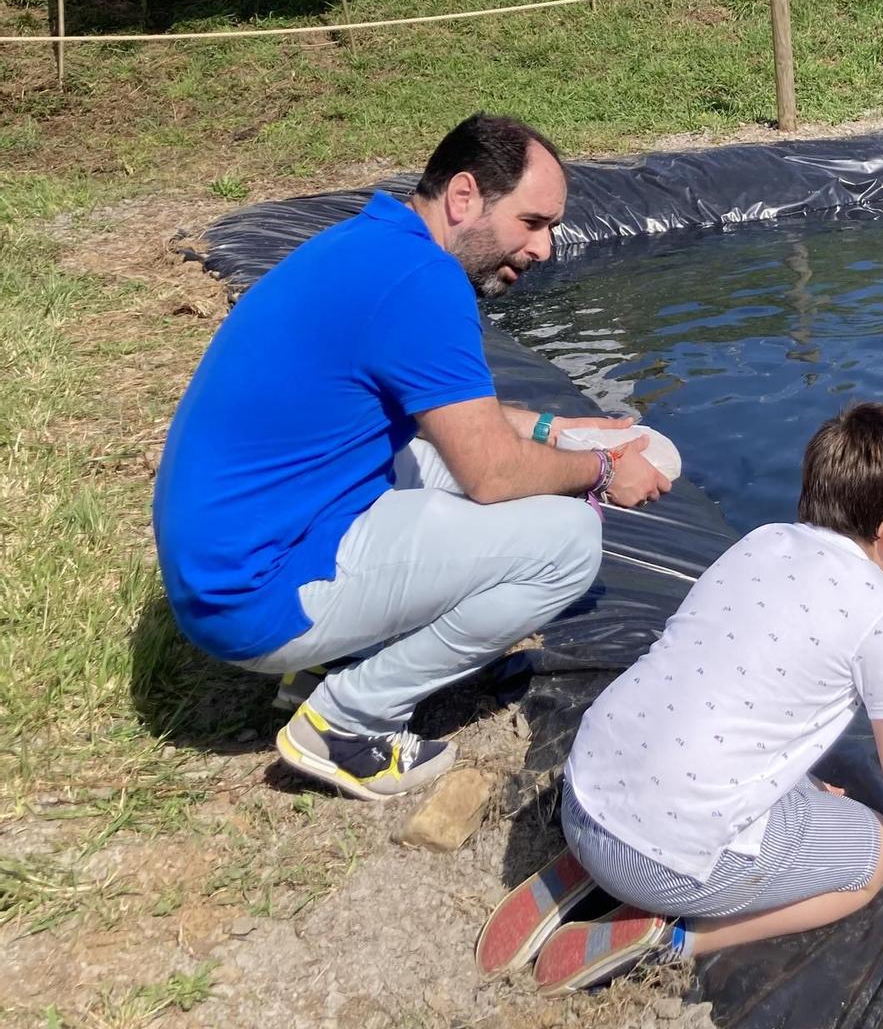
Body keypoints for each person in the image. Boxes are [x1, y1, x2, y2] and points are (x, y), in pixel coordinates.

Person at [152, 115, 672, 802]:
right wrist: (605, 470)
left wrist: (553, 427)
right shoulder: (424, 284)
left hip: (233, 551)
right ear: (464, 196)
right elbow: (492, 475)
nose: (545, 248)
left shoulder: (376, 244)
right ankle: (347, 721)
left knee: (450, 471)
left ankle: (328, 662)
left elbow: (442, 415)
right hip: (252, 595)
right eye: (534, 221)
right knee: (569, 540)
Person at [482, 402, 883, 992]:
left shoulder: (763, 542)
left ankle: (586, 866)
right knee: (875, 855)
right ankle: (672, 938)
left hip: (582, 795)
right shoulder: (882, 616)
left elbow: (734, 685)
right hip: (657, 859)